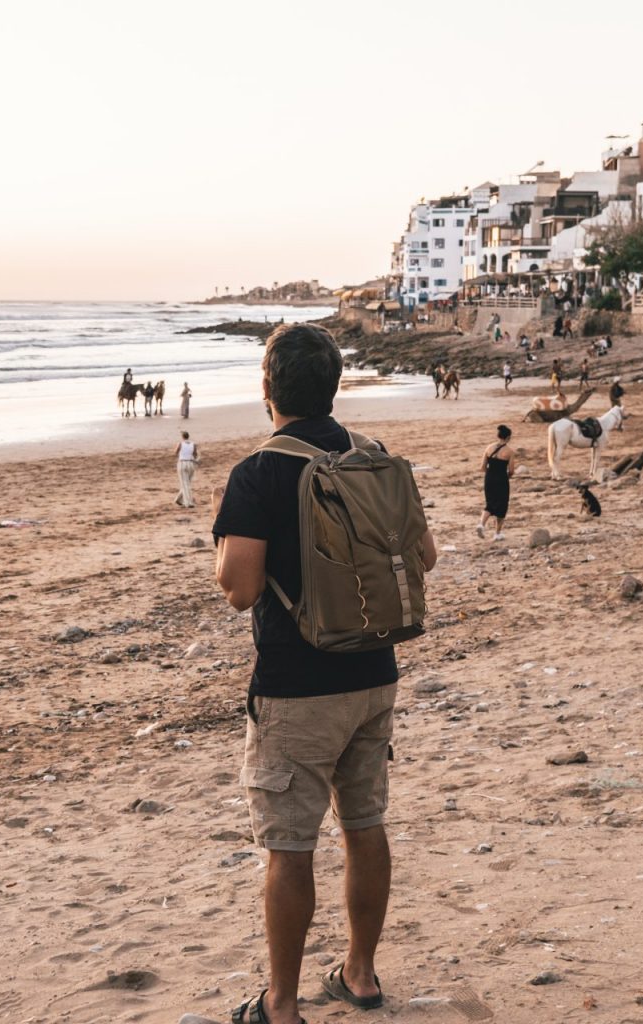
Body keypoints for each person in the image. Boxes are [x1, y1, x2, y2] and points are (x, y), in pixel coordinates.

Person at [212, 323, 438, 1024]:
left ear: (267, 389)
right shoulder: (372, 457)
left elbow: (239, 588)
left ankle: (280, 1005)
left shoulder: (258, 473)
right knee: (364, 824)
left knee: (289, 845)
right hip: (374, 670)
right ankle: (361, 976)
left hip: (296, 687)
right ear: (335, 386)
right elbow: (423, 557)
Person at [478, 425, 516, 541]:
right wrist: (506, 477)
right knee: (502, 505)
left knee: (490, 503)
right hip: (501, 480)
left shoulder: (489, 448)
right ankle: (497, 533)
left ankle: (481, 524)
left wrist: (490, 474)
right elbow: (511, 471)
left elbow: (482, 467)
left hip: (489, 478)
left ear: (498, 435)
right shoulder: (509, 452)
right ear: (508, 437)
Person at [174, 430, 199, 507]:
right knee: (187, 483)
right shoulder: (193, 444)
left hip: (182, 463)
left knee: (185, 484)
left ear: (182, 437)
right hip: (191, 463)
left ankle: (188, 502)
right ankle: (178, 499)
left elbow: (175, 452)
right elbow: (195, 454)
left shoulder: (180, 444)